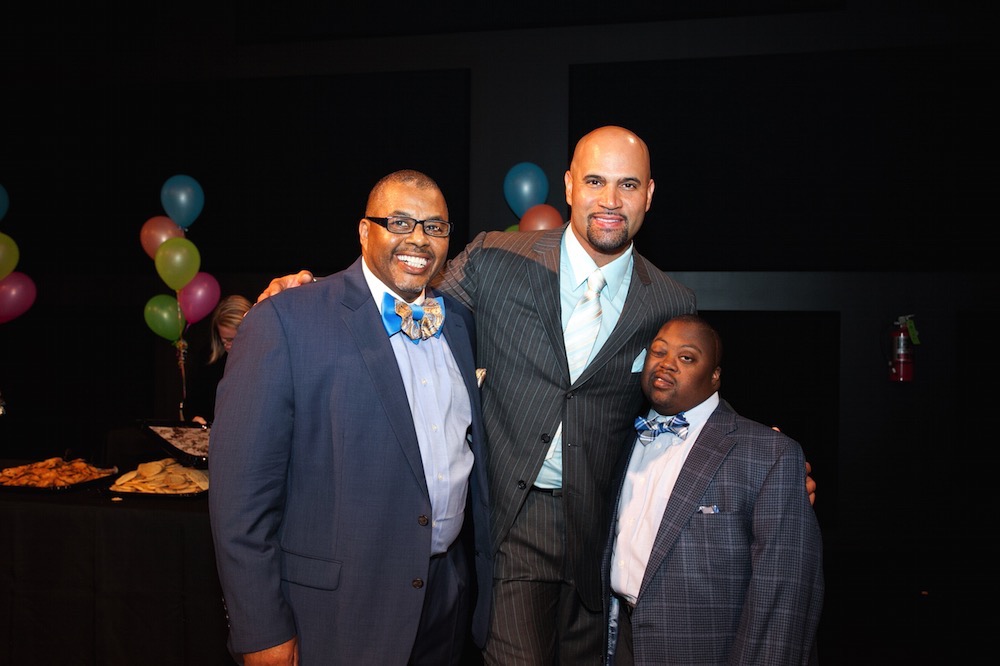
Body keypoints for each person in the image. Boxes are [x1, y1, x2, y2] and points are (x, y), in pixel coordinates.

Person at [258, 126, 817, 664]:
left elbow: (689, 397)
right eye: (595, 181)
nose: (611, 200)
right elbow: (407, 299)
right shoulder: (495, 259)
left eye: (627, 185)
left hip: (606, 532)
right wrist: (314, 297)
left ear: (649, 195)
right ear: (570, 185)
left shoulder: (670, 300)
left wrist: (760, 462)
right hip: (512, 524)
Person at [208, 170, 492, 665]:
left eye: (434, 227)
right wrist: (261, 629)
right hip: (337, 612)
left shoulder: (460, 324)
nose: (418, 239)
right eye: (399, 222)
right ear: (364, 231)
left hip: (445, 600)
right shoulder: (286, 320)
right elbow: (240, 501)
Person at [604, 314, 824, 665]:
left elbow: (785, 592)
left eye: (686, 357)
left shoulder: (768, 453)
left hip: (710, 650)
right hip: (621, 643)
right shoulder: (620, 440)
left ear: (715, 375)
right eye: (659, 352)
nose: (667, 363)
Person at [188, 294, 252, 425]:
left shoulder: (265, 361)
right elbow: (192, 404)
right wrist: (195, 418)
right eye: (224, 340)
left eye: (232, 339)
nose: (228, 346)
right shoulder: (208, 358)